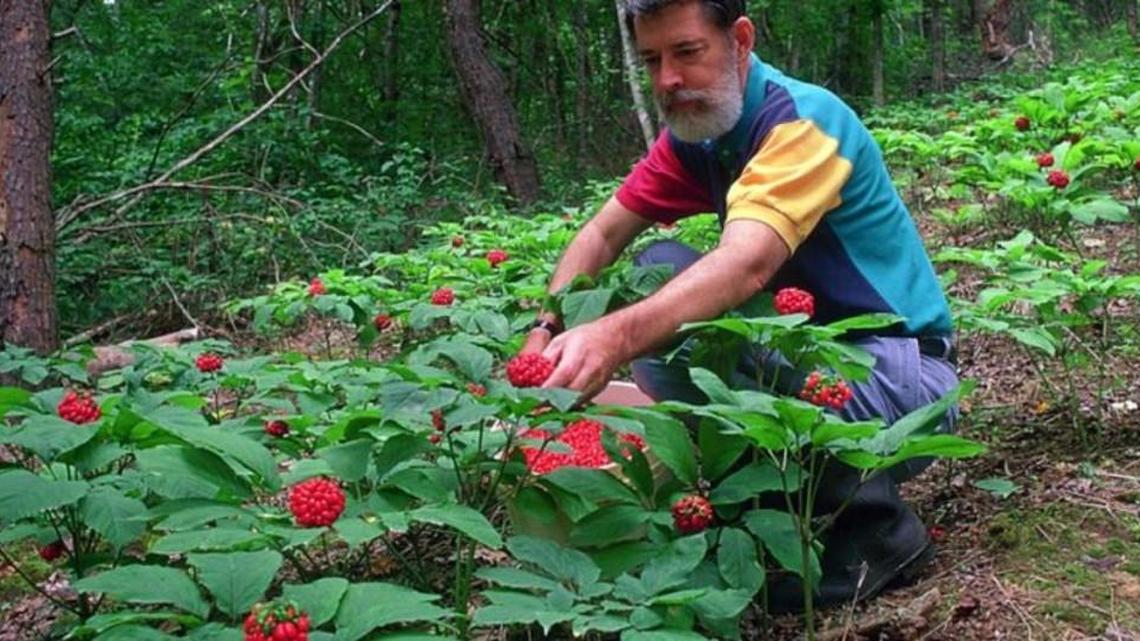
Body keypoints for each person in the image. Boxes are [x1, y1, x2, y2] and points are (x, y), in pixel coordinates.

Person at [519, 0, 959, 612]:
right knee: (660, 272)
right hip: (815, 359)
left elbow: (746, 262)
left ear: (740, 40)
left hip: (901, 380)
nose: (668, 78)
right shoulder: (701, 134)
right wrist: (546, 328)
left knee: (699, 322)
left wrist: (613, 339)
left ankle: (874, 527)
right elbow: (602, 234)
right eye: (652, 60)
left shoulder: (802, 125)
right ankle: (769, 504)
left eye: (687, 51)